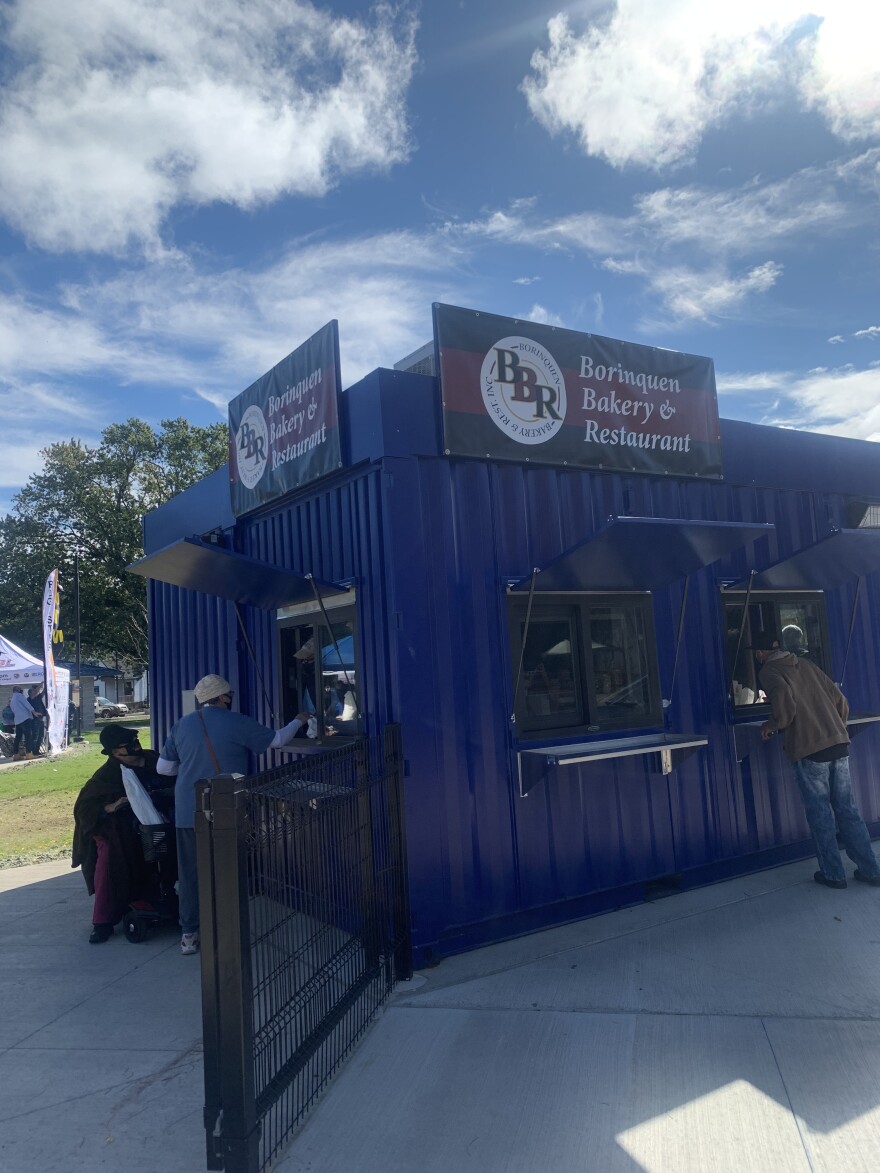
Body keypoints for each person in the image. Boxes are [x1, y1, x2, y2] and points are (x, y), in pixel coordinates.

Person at [157, 675, 311, 955]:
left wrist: (192, 769)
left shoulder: (182, 723)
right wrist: (299, 719)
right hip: (226, 808)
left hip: (188, 810)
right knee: (229, 867)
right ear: (224, 698)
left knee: (190, 873)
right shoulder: (236, 721)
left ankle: (189, 934)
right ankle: (227, 929)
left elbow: (163, 769)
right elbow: (276, 741)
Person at [752, 630, 880, 889]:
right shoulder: (807, 664)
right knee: (848, 810)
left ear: (760, 653)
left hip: (810, 752)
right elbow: (841, 701)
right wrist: (835, 729)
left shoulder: (769, 671)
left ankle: (833, 874)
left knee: (820, 813)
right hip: (838, 745)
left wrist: (772, 725)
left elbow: (785, 707)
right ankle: (871, 870)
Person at [71, 725, 167, 943]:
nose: (136, 747)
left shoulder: (154, 761)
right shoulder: (106, 776)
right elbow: (83, 810)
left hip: (157, 827)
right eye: (128, 745)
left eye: (135, 741)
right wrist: (110, 807)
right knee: (109, 858)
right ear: (115, 752)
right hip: (117, 830)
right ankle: (102, 922)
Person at [10, 686, 35, 760]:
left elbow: (13, 710)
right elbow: (26, 704)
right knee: (28, 736)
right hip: (25, 718)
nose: (21, 690)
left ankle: (16, 755)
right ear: (17, 690)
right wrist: (33, 711)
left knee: (18, 737)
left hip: (17, 720)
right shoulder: (19, 696)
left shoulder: (12, 699)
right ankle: (29, 753)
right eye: (20, 689)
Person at [27, 684, 48, 756]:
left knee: (41, 736)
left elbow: (43, 693)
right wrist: (41, 684)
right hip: (34, 720)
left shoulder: (37, 698)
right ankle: (32, 751)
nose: (36, 692)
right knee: (35, 736)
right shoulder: (30, 699)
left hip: (40, 719)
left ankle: (36, 751)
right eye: (34, 691)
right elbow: (36, 692)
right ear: (30, 693)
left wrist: (46, 685)